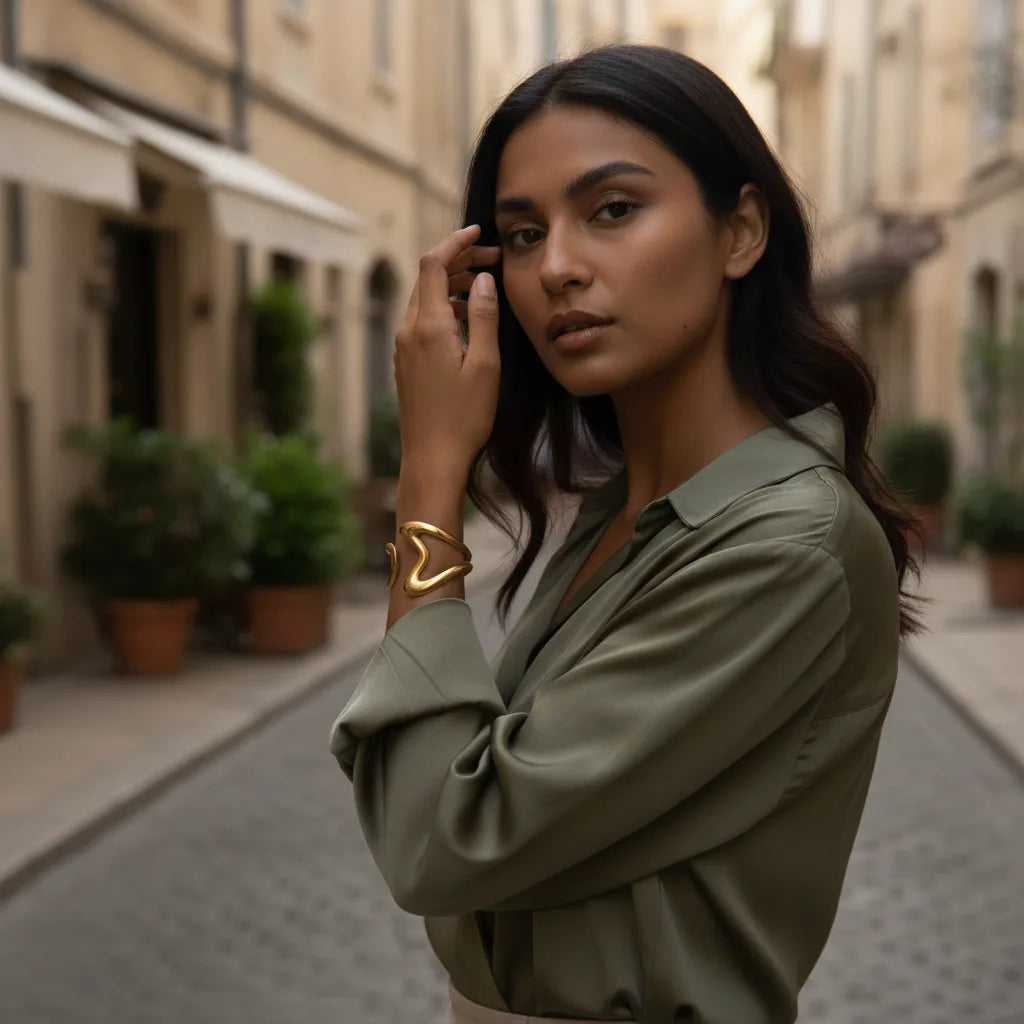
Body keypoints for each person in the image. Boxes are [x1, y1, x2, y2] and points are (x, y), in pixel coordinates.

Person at [329, 44, 920, 1024]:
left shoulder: (783, 544)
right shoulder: (630, 515)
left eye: (611, 210)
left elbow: (441, 837)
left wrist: (431, 477)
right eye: (520, 234)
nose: (557, 267)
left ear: (739, 231)